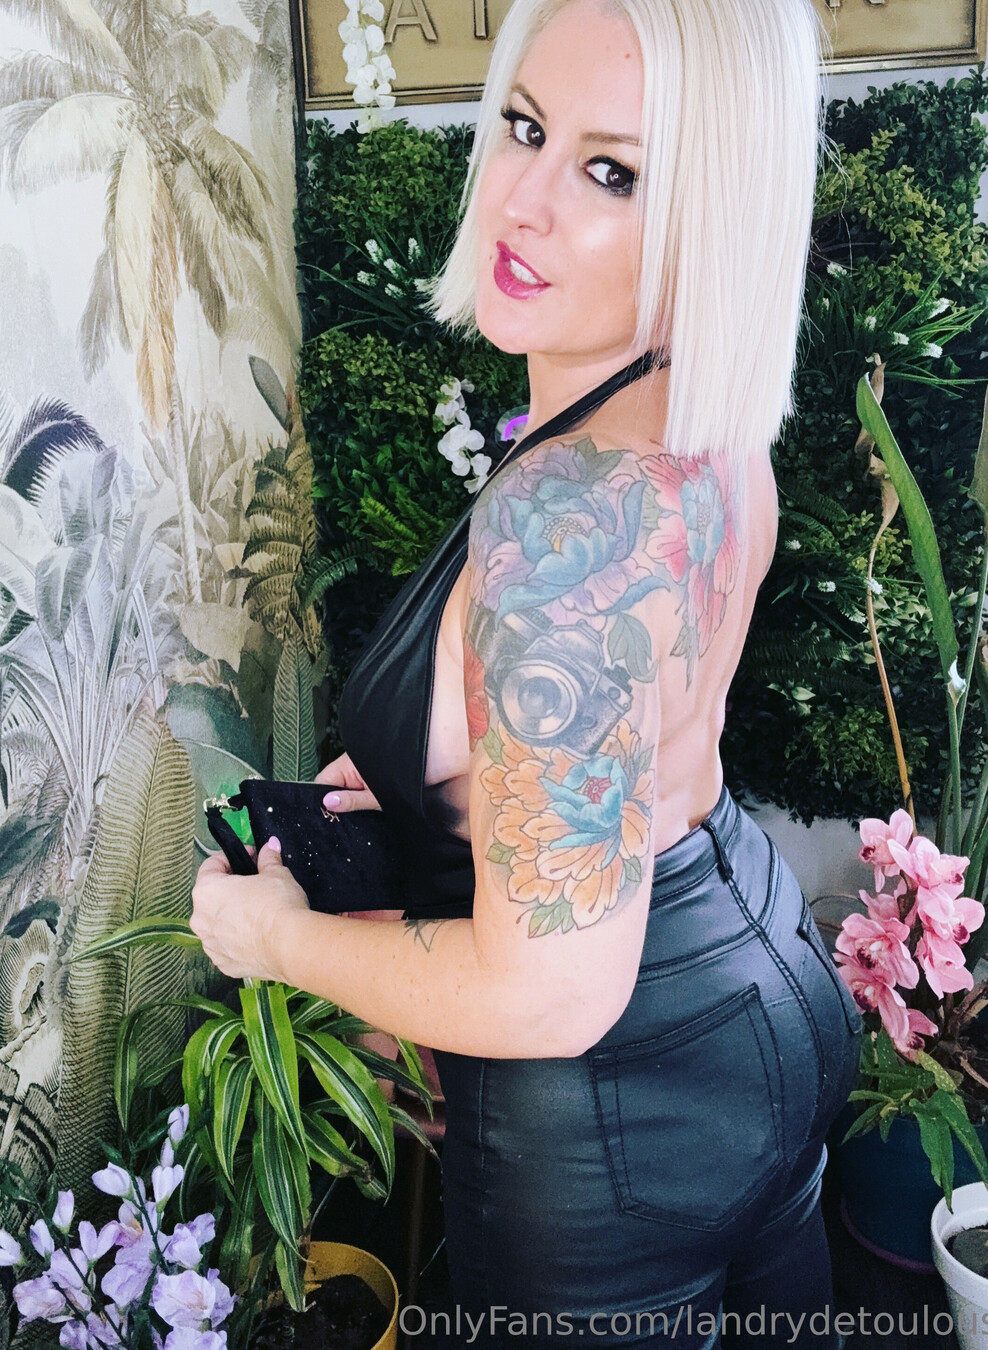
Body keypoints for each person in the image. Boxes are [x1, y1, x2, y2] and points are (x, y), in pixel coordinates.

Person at [190, 0, 862, 1345]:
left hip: (615, 1103)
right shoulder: (701, 430)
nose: (523, 200)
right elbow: (630, 721)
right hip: (761, 977)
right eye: (524, 127)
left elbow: (549, 991)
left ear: (712, 219)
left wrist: (273, 940)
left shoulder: (565, 526)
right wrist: (427, 768)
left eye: (612, 171)